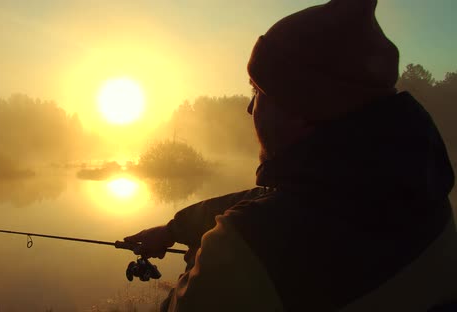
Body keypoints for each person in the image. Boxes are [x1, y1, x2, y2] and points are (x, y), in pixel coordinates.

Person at [124, 0, 457, 311]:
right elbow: (272, 199)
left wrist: (199, 258)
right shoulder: (427, 202)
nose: (250, 107)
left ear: (300, 106)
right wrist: (173, 229)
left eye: (258, 91)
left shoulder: (245, 248)